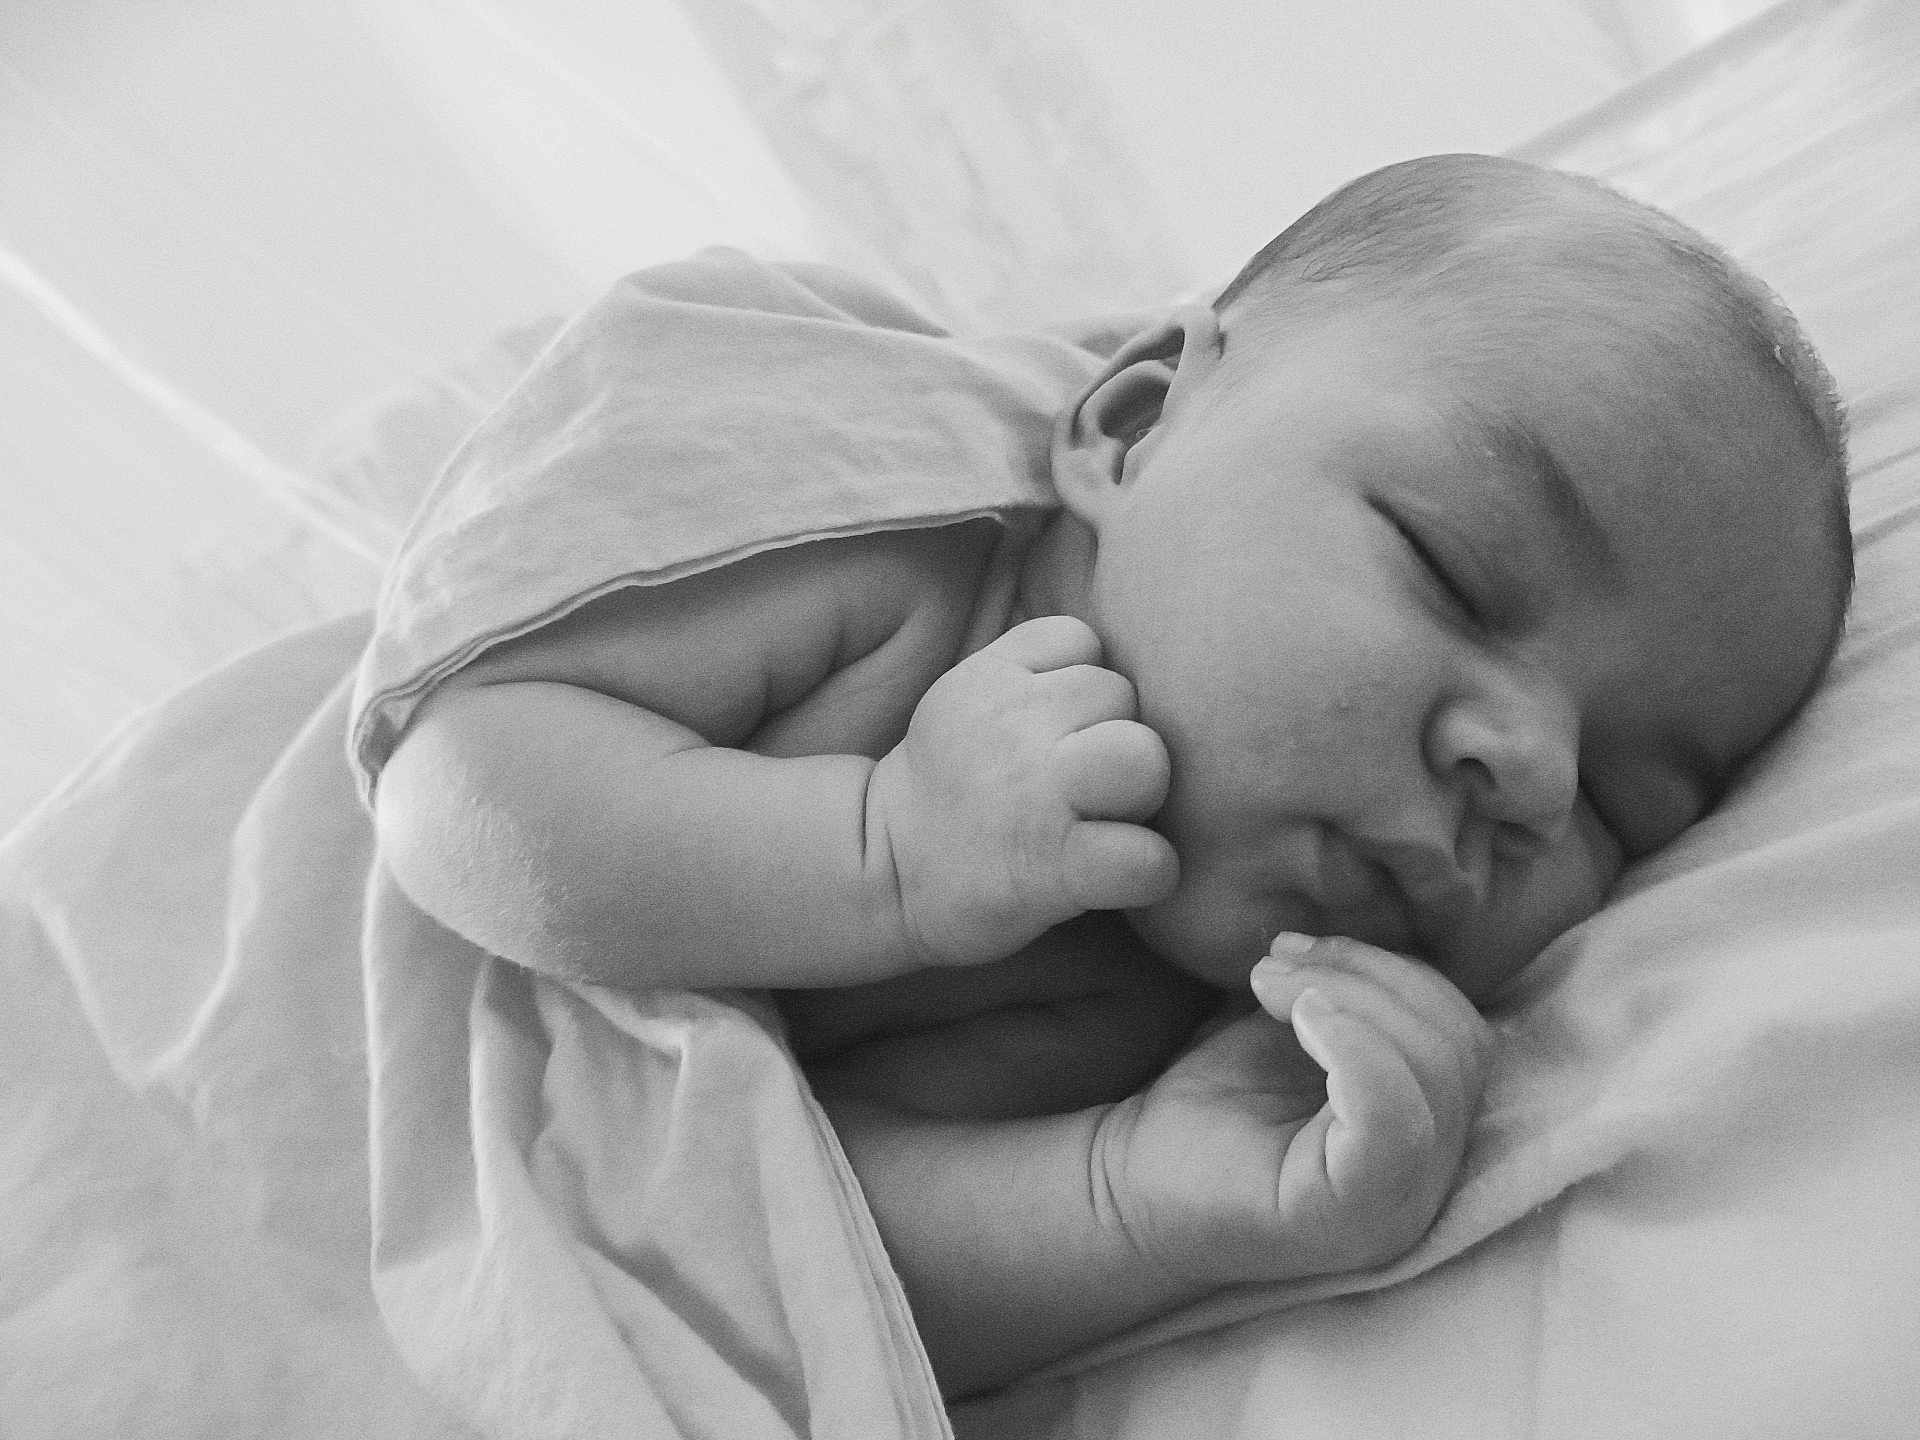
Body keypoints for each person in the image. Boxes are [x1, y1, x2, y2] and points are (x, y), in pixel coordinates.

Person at [369, 153, 1851, 1396]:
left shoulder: (1144, 995)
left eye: (1622, 806)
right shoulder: (891, 536)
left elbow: (805, 1259)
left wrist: (1133, 1197)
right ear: (1135, 425)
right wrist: (883, 853)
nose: (1528, 771)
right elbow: (458, 780)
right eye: (1458, 570)